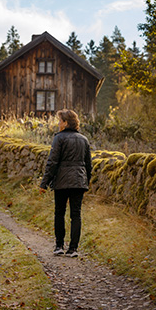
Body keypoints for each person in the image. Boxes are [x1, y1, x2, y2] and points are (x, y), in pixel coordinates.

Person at [39, 109, 92, 258]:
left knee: (59, 213)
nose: (58, 123)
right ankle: (73, 249)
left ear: (66, 123)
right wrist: (86, 181)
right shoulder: (84, 139)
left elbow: (52, 162)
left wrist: (44, 183)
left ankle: (59, 246)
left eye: (60, 121)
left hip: (62, 181)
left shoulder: (59, 138)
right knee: (76, 214)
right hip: (79, 182)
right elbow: (89, 165)